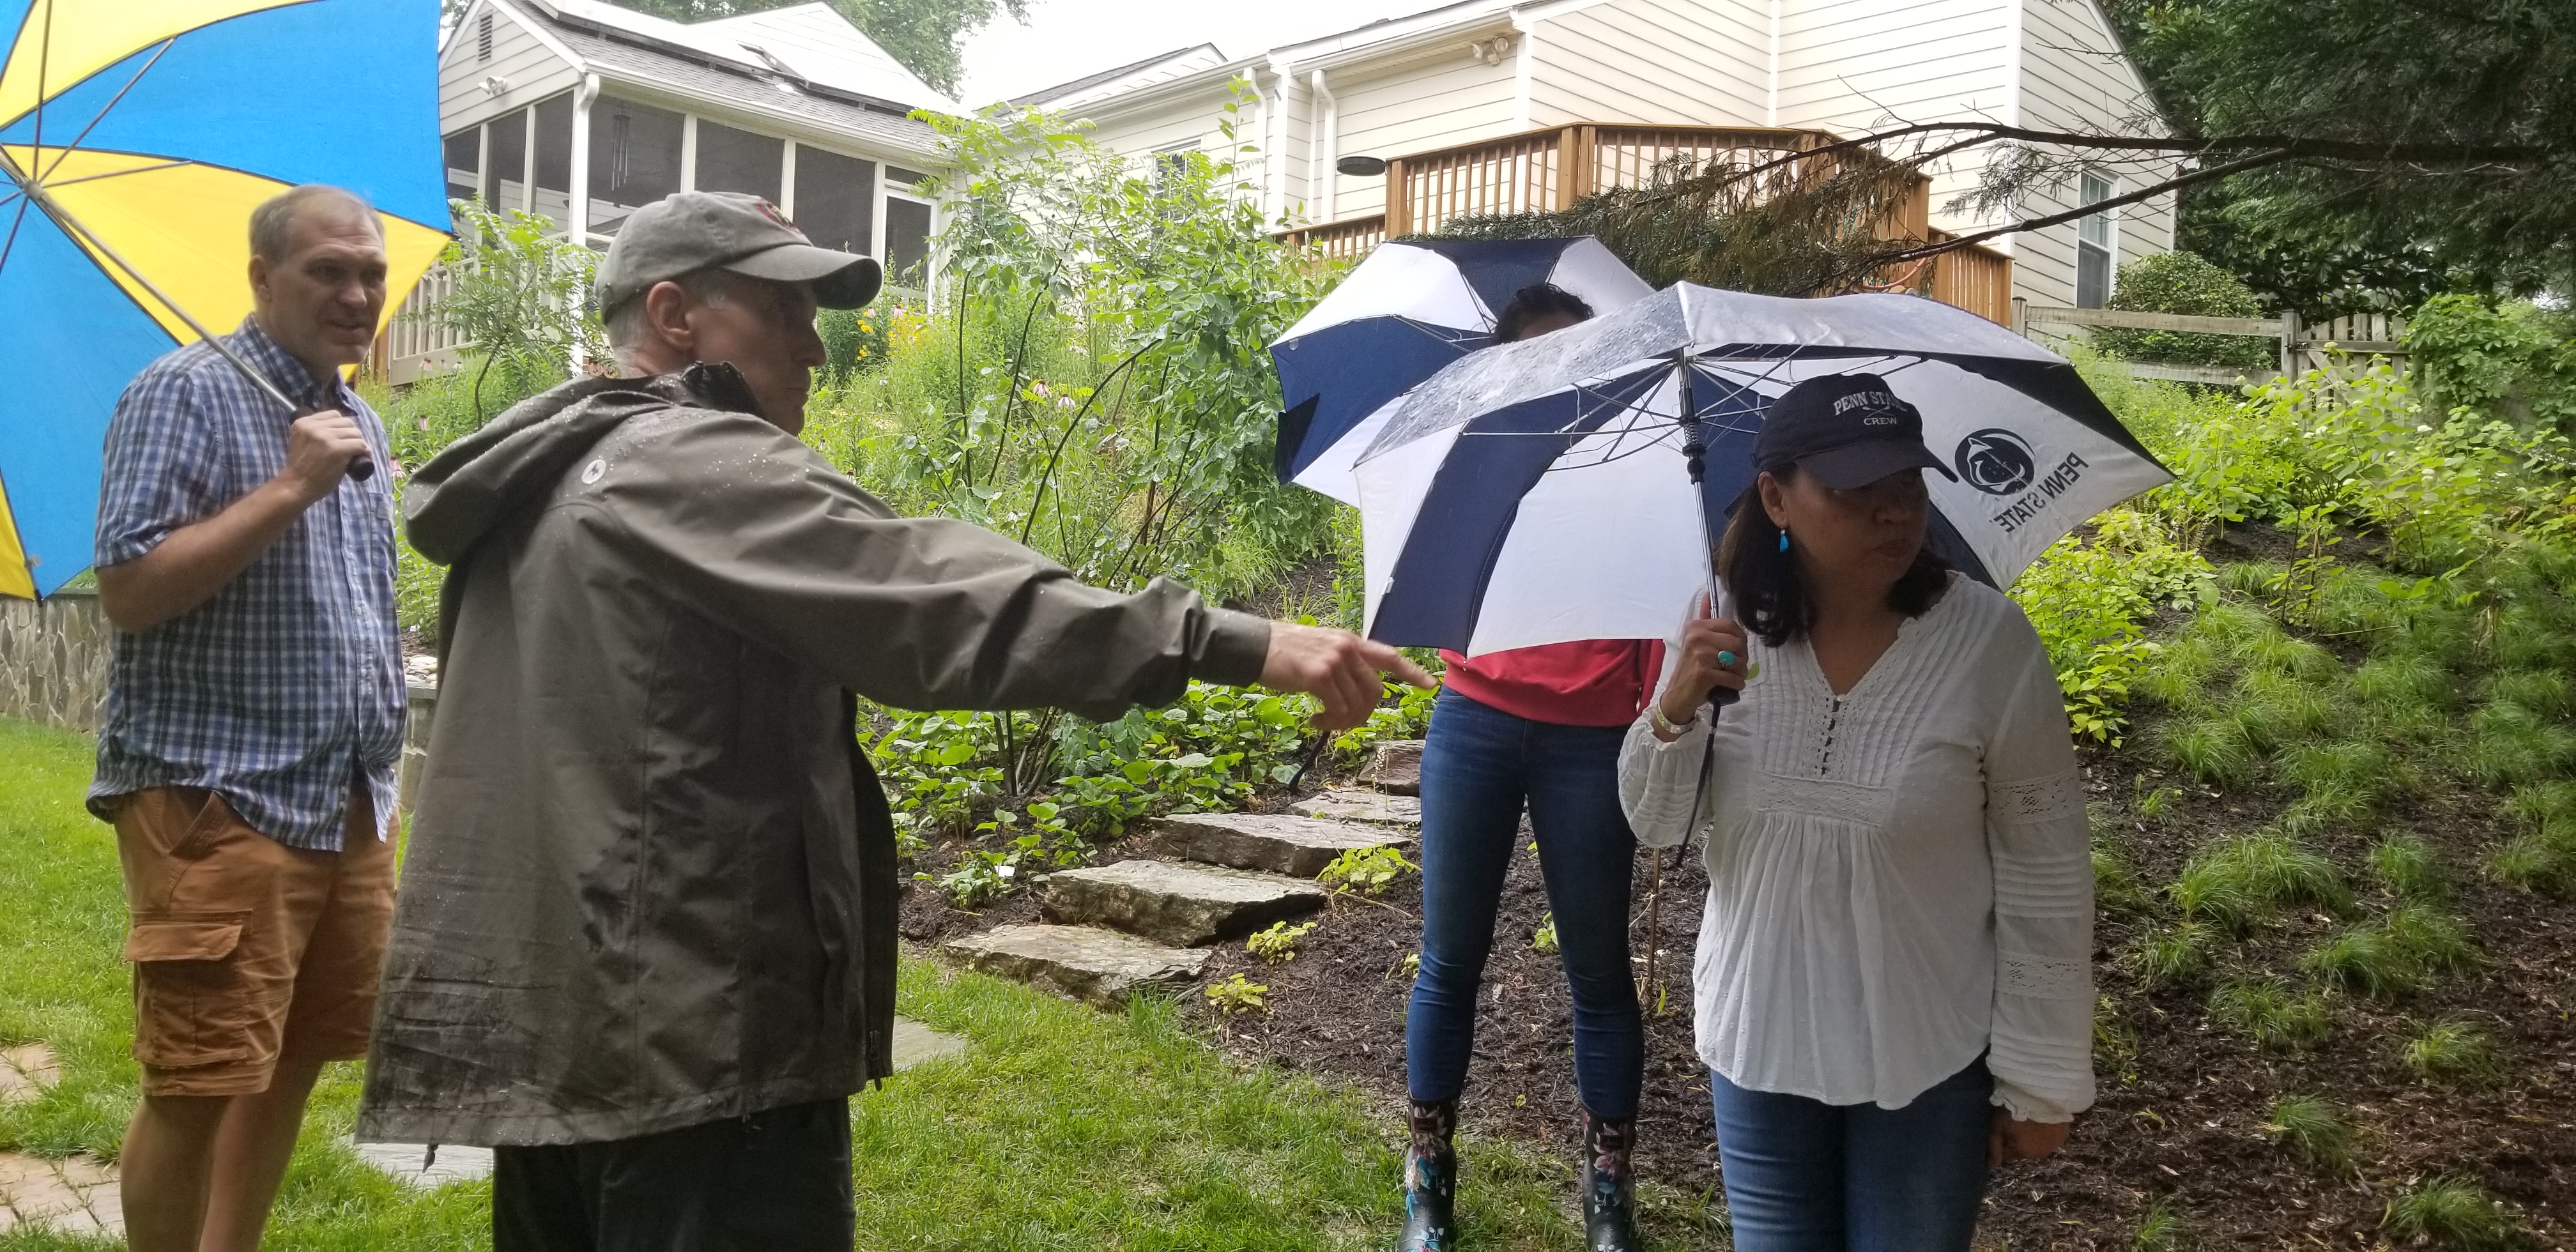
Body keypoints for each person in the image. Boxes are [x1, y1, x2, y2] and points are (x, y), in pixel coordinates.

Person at [353, 190, 1429, 1250]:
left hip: (567, 1023)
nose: (813, 351)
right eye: (783, 311)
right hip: (691, 1031)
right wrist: (1232, 641)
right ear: (675, 316)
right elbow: (926, 593)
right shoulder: (688, 462)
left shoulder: (549, 474)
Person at [1618, 373, 2093, 1249]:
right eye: (1855, 490)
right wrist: (1674, 709)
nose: (1893, 512)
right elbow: (1655, 824)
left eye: (1907, 484)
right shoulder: (1720, 631)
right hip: (1759, 1050)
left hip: (1926, 1061)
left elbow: (2046, 870)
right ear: (1776, 498)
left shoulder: (1990, 644)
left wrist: (2041, 1074)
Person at [87, 184, 401, 1252]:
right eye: (328, 271)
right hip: (219, 795)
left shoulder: (358, 416)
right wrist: (288, 488)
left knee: (294, 1059)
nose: (357, 293)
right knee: (200, 1079)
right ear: (263, 277)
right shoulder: (179, 394)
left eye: (371, 270)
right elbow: (129, 591)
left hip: (343, 798)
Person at [1398, 282, 1664, 1252]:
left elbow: (1675, 596)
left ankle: (1608, 1190)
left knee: (1598, 970)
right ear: (1511, 364)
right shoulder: (1477, 455)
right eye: (1543, 353)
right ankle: (1428, 1174)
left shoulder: (1643, 463)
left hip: (1593, 737)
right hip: (1474, 719)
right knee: (1448, 959)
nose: (1565, 367)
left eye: (1580, 350)